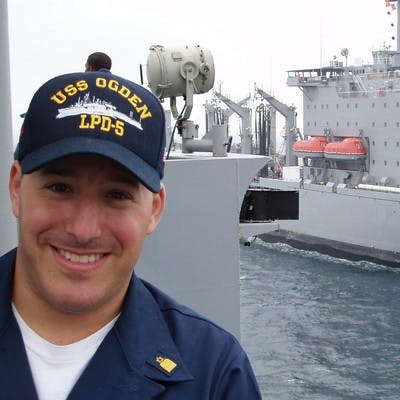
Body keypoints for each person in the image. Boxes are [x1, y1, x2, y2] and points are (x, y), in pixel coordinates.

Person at [0, 70, 262, 399]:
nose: (83, 230)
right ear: (16, 189)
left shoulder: (215, 376)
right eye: (60, 187)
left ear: (154, 210)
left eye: (117, 196)